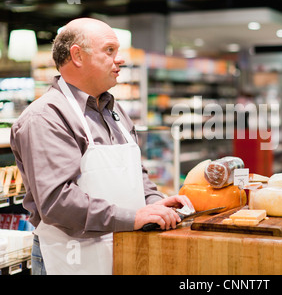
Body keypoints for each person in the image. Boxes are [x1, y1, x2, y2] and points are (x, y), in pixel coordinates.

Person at [10, 18, 193, 275]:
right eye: (110, 51)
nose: (120, 60)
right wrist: (133, 217)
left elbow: (134, 172)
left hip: (124, 250)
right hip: (71, 257)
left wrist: (154, 203)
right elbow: (57, 201)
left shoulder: (115, 111)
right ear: (77, 55)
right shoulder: (46, 117)